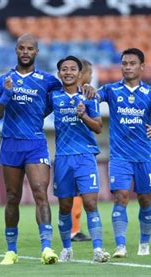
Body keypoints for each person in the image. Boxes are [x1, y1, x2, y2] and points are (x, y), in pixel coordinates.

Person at [0, 34, 62, 266]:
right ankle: (11, 251)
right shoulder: (3, 81)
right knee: (12, 197)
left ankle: (47, 247)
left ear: (36, 52)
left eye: (30, 48)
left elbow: (63, 95)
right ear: (16, 51)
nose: (25, 52)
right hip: (10, 143)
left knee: (40, 192)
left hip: (35, 143)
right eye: (21, 48)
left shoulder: (48, 80)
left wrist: (86, 87)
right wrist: (6, 97)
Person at [97, 48, 151, 257]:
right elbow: (94, 97)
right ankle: (120, 245)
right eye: (124, 63)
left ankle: (144, 243)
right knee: (121, 197)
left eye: (132, 63)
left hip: (144, 155)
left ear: (142, 67)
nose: (127, 67)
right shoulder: (111, 90)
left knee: (145, 200)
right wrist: (89, 92)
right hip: (119, 156)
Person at [48, 55, 110, 263]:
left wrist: (83, 116)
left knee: (91, 203)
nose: (68, 72)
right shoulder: (53, 97)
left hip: (85, 156)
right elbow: (36, 114)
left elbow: (99, 127)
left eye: (73, 69)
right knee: (65, 206)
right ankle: (67, 248)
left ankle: (98, 249)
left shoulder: (89, 96)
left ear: (79, 73)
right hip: (63, 158)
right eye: (64, 69)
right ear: (59, 74)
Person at [70, 59, 93, 242]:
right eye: (89, 74)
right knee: (76, 192)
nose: (91, 78)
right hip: (75, 151)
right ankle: (73, 230)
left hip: (78, 150)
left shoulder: (85, 94)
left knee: (77, 192)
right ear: (82, 74)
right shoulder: (74, 95)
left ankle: (75, 229)